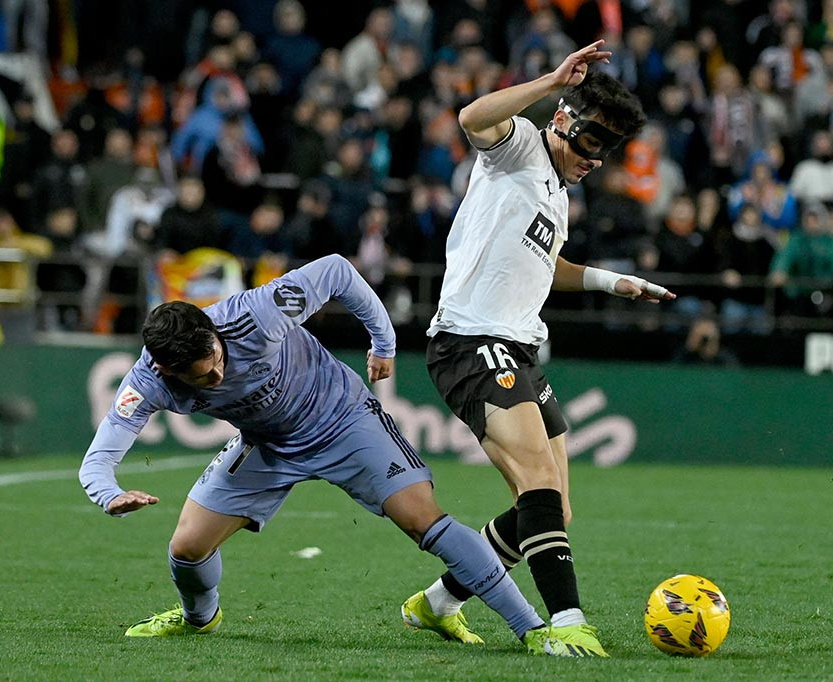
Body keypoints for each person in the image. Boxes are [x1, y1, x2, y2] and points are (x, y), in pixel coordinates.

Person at [79, 255, 585, 657]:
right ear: (167, 372)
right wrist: (110, 495)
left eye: (215, 359)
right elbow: (98, 460)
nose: (216, 376)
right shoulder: (145, 384)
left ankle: (533, 630)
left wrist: (382, 341)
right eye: (201, 376)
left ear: (212, 332)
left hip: (343, 420)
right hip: (268, 444)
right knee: (186, 547)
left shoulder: (255, 313)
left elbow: (339, 271)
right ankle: (197, 618)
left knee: (421, 519)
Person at [401, 41, 676, 658]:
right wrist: (552, 80)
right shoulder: (519, 149)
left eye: (604, 152)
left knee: (553, 506)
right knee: (537, 481)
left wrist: (614, 282)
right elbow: (473, 117)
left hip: (518, 350)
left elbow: (549, 266)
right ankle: (566, 621)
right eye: (587, 144)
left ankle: (439, 602)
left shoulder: (557, 194)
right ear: (561, 120)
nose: (593, 160)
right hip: (472, 342)